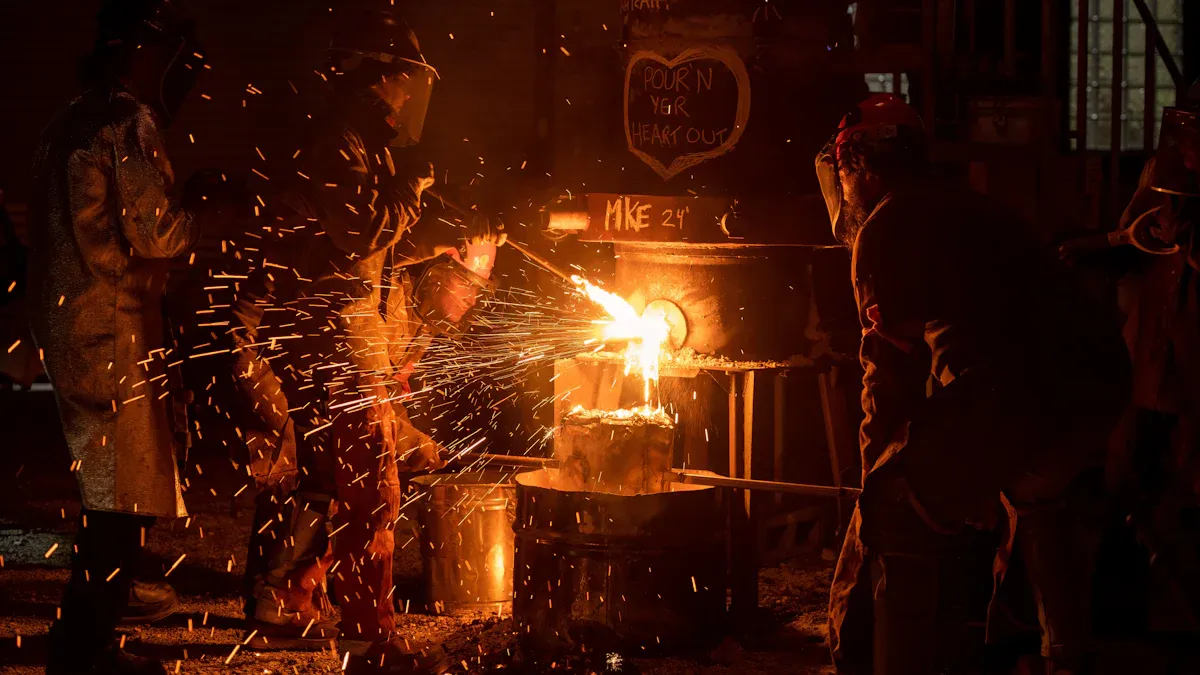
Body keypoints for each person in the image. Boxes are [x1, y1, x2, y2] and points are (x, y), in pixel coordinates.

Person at [817, 94, 1131, 674]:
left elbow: (888, 382)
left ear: (860, 164)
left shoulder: (885, 229)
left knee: (894, 503)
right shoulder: (969, 207)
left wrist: (879, 479)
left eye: (843, 169)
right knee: (1036, 496)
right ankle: (1065, 653)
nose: (843, 183)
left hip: (1018, 394)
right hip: (1099, 383)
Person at [233, 7, 502, 674]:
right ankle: (371, 639)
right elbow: (358, 233)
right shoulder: (339, 143)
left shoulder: (357, 145)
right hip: (336, 345)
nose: (410, 98)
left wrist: (437, 237)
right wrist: (413, 189)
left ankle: (298, 594)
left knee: (341, 482)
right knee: (370, 491)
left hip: (340, 343)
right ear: (377, 77)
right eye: (404, 83)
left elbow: (365, 242)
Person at [27, 0, 229, 671]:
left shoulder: (68, 121)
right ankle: (83, 651)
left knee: (109, 496)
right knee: (119, 506)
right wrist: (204, 205)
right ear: (141, 52)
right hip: (114, 332)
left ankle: (88, 639)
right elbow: (160, 233)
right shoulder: (124, 121)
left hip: (73, 328)